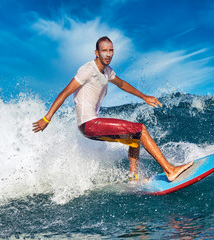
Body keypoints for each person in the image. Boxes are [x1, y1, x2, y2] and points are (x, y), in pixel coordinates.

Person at [32, 36, 193, 181]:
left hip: (91, 125)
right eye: (104, 51)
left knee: (134, 138)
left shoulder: (107, 71)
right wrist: (47, 118)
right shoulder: (87, 70)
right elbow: (65, 92)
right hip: (89, 124)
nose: (108, 54)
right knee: (141, 129)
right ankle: (169, 170)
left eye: (110, 50)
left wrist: (144, 97)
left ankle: (133, 178)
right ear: (96, 52)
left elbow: (122, 84)